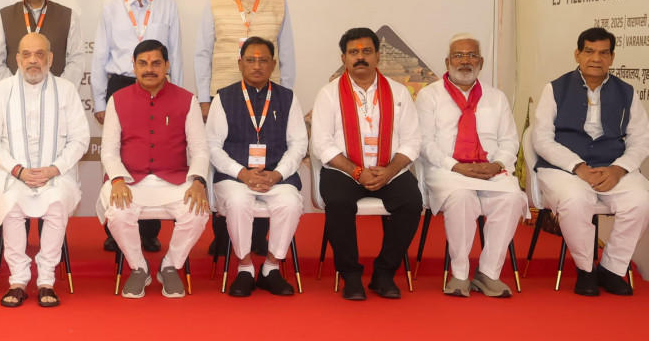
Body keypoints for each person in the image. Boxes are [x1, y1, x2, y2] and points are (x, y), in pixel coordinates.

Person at [532, 27, 649, 296]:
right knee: (576, 200)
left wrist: (619, 169)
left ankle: (611, 269)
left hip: (611, 167)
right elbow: (541, 139)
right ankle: (585, 270)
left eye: (603, 53)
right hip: (565, 168)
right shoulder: (555, 88)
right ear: (577, 54)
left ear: (612, 58)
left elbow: (641, 139)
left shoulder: (627, 92)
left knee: (640, 202)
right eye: (589, 51)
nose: (596, 58)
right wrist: (578, 167)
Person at [194, 0, 296, 255]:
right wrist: (204, 97)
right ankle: (223, 237)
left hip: (268, 91)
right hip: (225, 92)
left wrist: (287, 92)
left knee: (266, 157)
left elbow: (286, 49)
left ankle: (258, 237)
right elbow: (202, 50)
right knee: (223, 158)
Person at [309, 27, 422, 301]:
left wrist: (390, 171)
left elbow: (412, 140)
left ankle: (384, 273)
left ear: (378, 55)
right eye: (354, 52)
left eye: (367, 51)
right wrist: (356, 171)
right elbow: (321, 144)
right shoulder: (328, 94)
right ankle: (350, 275)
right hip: (344, 171)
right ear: (344, 58)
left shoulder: (398, 92)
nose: (360, 57)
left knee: (411, 203)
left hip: (389, 170)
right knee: (338, 203)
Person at [0, 33, 90, 307]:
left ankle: (46, 280)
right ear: (17, 59)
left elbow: (80, 138)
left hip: (54, 172)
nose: (33, 60)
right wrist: (17, 169)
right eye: (27, 54)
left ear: (50, 58)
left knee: (56, 202)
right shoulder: (1, 90)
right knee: (11, 203)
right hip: (11, 171)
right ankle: (18, 279)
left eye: (39, 54)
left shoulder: (66, 90)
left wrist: (54, 169)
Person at [416, 33, 525, 297]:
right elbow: (424, 142)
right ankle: (460, 274)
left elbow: (509, 140)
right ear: (447, 62)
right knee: (462, 197)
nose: (465, 61)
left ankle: (488, 273)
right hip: (447, 170)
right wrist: (455, 166)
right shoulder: (429, 96)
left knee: (513, 198)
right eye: (458, 55)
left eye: (472, 55)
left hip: (490, 170)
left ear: (481, 62)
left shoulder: (496, 97)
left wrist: (497, 164)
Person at [99, 40, 210, 299]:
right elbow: (109, 151)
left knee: (197, 213)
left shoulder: (187, 100)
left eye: (156, 63)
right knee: (117, 213)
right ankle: (139, 267)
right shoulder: (118, 100)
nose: (149, 69)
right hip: (130, 179)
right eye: (143, 63)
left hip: (173, 180)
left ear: (167, 65)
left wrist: (198, 181)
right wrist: (117, 179)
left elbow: (200, 150)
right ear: (134, 66)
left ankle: (170, 265)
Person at [90, 0, 183, 253]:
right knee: (118, 154)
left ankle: (149, 231)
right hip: (121, 85)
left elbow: (176, 52)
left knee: (155, 153)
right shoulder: (111, 8)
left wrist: (179, 97)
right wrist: (100, 101)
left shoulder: (167, 6)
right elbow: (100, 55)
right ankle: (115, 227)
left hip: (159, 86)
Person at [205, 37, 304, 297]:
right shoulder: (224, 98)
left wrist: (278, 174)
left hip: (276, 177)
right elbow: (212, 146)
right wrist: (241, 173)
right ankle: (245, 268)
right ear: (240, 64)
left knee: (290, 204)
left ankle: (271, 268)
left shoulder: (287, 98)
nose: (257, 66)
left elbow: (298, 144)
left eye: (263, 60)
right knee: (239, 203)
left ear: (273, 64)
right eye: (251, 60)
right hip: (235, 178)